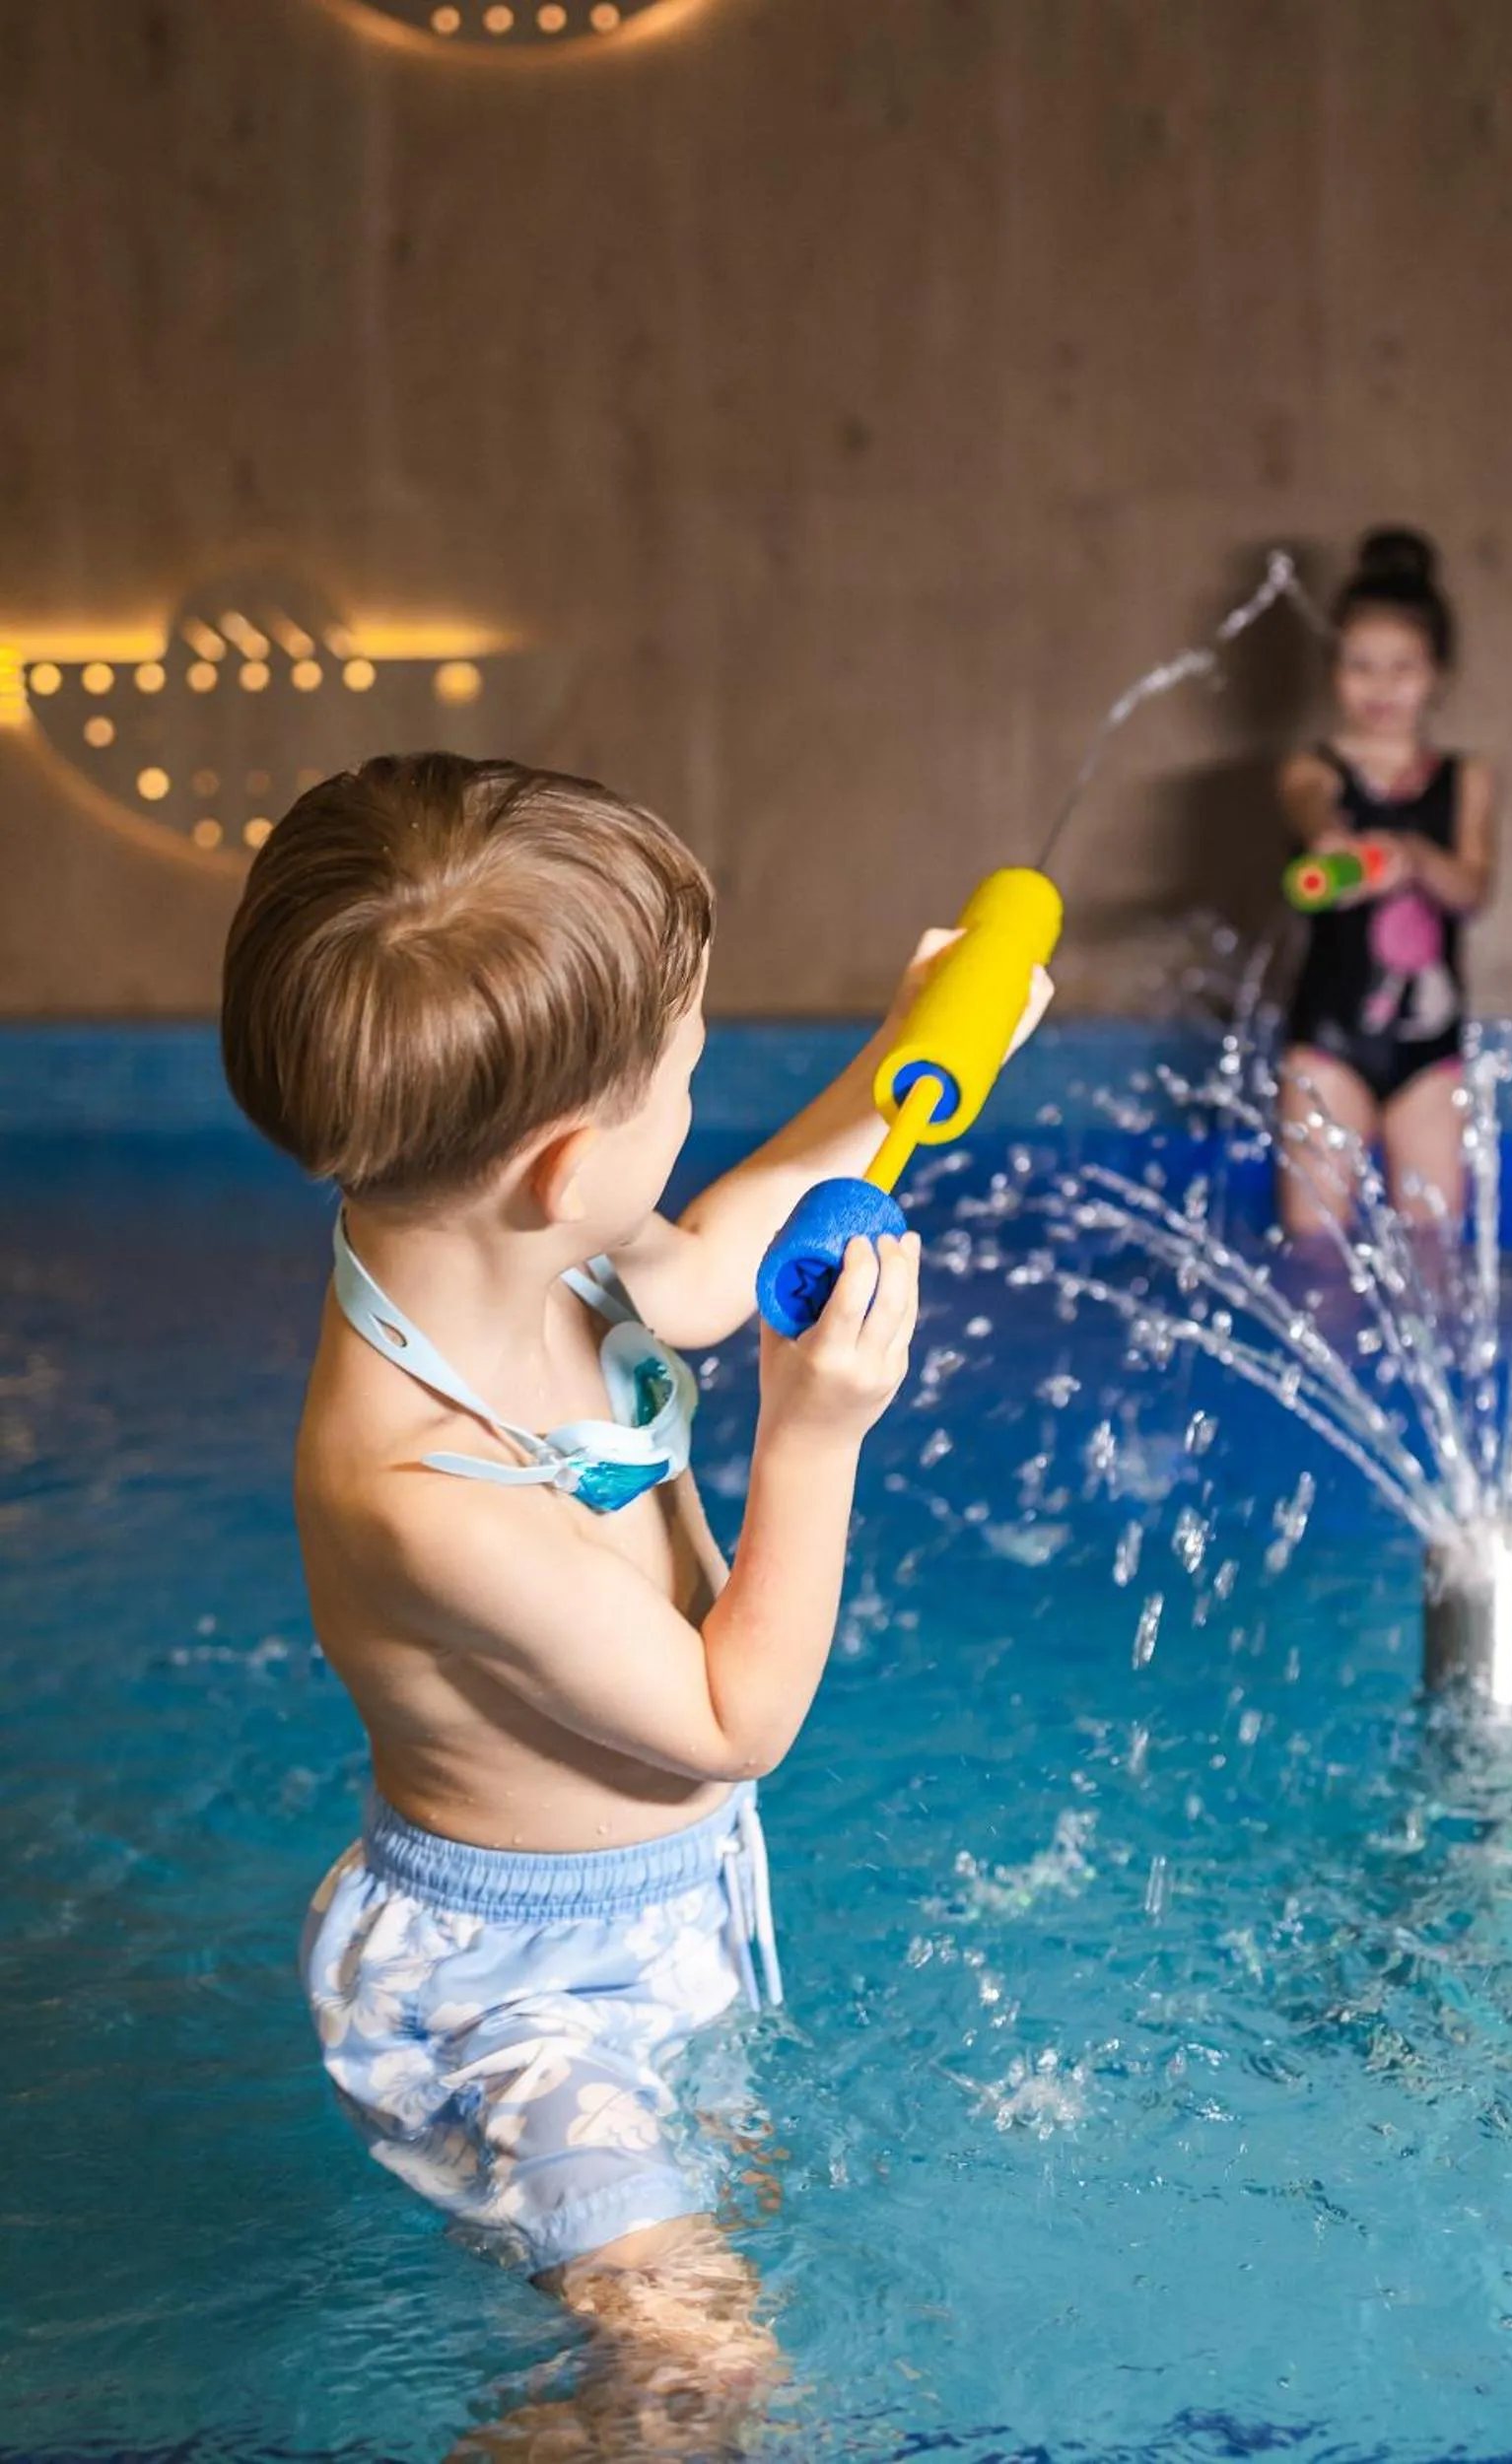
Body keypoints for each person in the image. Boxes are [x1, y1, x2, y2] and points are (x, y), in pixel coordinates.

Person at [221, 752, 1048, 2456]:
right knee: (703, 2366)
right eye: (686, 1074)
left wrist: (909, 1067)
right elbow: (736, 1718)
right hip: (517, 1990)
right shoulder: (421, 1495)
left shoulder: (496, 1227)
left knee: (657, 2307)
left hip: (663, 1902)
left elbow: (703, 1266)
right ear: (565, 1161)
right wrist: (817, 1435)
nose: (698, 1104)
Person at [1275, 528, 1498, 1235]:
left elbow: (1472, 888)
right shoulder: (1310, 771)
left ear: (1438, 673)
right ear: (1333, 670)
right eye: (1361, 666)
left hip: (1429, 1054)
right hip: (1327, 1042)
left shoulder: (1468, 779)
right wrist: (1335, 842)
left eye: (1402, 667)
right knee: (1314, 1255)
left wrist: (1411, 857)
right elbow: (1312, 811)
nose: (1381, 686)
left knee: (1434, 1258)